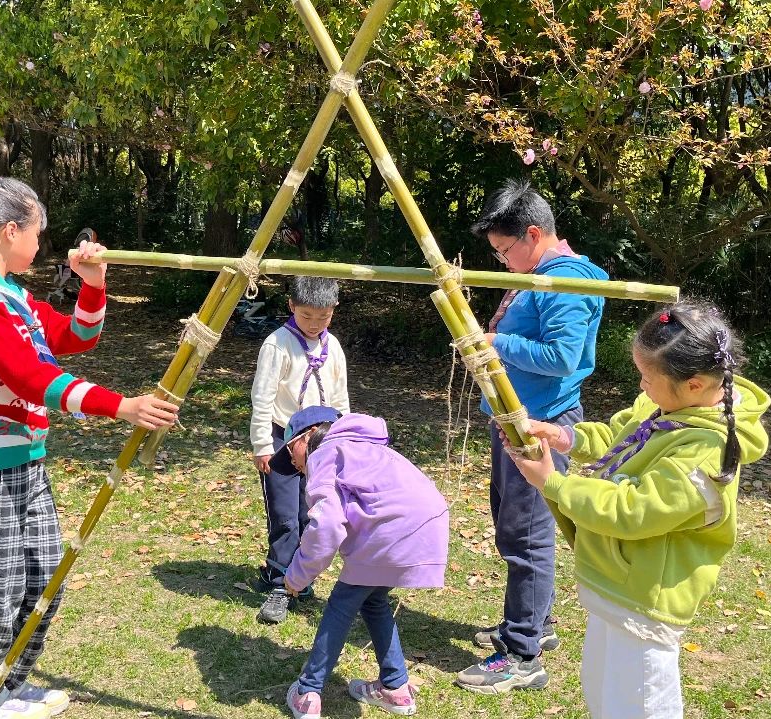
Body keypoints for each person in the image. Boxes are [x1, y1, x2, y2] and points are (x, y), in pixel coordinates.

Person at [0, 177, 179, 719]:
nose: (42, 244)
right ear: (11, 230)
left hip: (25, 461)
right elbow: (30, 377)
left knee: (43, 575)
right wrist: (122, 407)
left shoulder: (12, 296)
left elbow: (76, 337)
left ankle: (7, 686)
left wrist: (93, 282)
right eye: (37, 232)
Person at [507, 301, 770, 718]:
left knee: (640, 706)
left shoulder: (706, 450)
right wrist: (562, 436)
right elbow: (620, 434)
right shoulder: (668, 403)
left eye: (648, 378)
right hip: (615, 583)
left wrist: (552, 482)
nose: (642, 387)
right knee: (604, 697)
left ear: (696, 384)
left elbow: (636, 511)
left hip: (645, 601)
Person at [456, 180, 608, 694]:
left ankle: (523, 654)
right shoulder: (539, 275)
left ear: (534, 233)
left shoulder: (564, 281)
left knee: (527, 535)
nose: (501, 261)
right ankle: (534, 627)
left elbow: (563, 358)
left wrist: (497, 342)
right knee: (513, 526)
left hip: (538, 424)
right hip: (514, 419)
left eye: (503, 250)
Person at [273, 408, 449, 719]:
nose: (292, 461)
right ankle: (395, 688)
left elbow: (326, 525)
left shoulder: (325, 452)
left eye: (290, 449)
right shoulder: (366, 447)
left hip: (391, 530)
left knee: (341, 603)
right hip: (428, 524)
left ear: (308, 435)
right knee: (374, 600)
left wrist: (297, 576)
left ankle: (308, 691)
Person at [249, 276, 350, 624]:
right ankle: (279, 581)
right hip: (282, 439)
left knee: (312, 512)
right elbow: (261, 399)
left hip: (321, 441)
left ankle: (301, 578)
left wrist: (344, 437)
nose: (314, 324)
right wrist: (263, 445)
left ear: (333, 311)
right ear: (292, 306)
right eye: (306, 316)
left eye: (322, 317)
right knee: (285, 513)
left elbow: (340, 397)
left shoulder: (332, 345)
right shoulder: (277, 344)